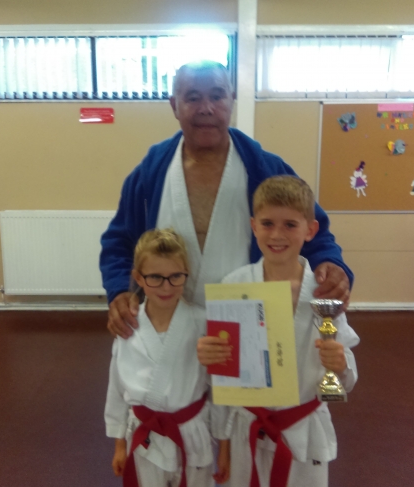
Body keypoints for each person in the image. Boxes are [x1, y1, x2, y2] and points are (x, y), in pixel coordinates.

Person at [100, 60, 353, 338]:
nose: (206, 108)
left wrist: (330, 263)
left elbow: (313, 230)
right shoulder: (151, 174)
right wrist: (120, 290)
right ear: (174, 105)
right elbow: (119, 242)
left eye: (217, 96)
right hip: (169, 319)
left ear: (231, 100)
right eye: (193, 98)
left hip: (249, 319)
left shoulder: (266, 169)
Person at [197, 175, 359, 487]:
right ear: (253, 226)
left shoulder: (324, 292)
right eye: (267, 223)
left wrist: (341, 365)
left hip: (303, 427)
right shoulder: (235, 286)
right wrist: (222, 438)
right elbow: (225, 375)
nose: (277, 234)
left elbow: (343, 378)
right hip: (246, 427)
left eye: (290, 224)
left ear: (310, 229)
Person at [104, 228, 230, 487]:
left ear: (187, 274)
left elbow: (218, 388)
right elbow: (117, 389)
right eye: (155, 277)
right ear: (138, 277)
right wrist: (119, 444)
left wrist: (224, 445)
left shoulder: (202, 322)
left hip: (192, 434)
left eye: (176, 276)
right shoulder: (128, 326)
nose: (166, 286)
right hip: (144, 436)